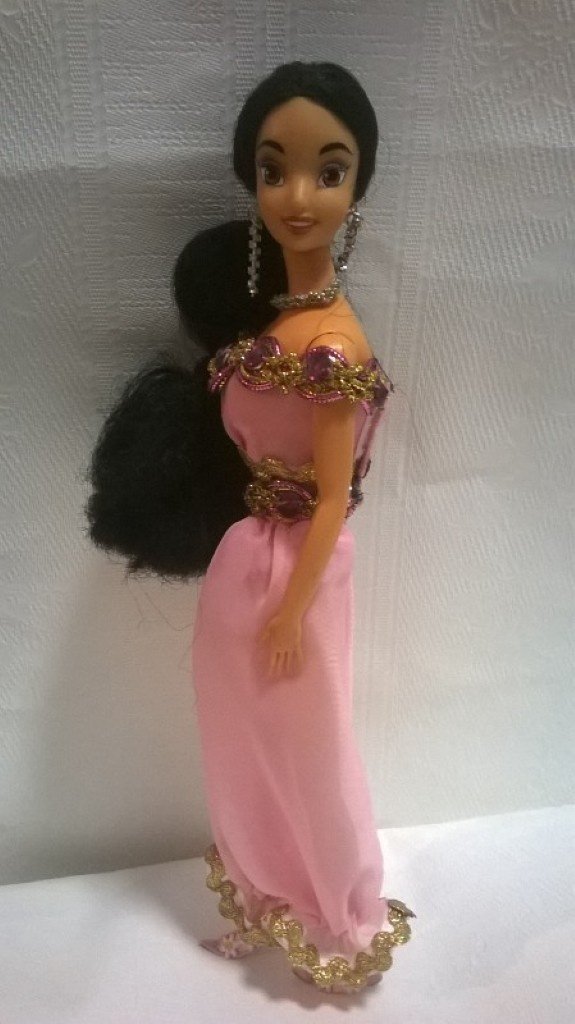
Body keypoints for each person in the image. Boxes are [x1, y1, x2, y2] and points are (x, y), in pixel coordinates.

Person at [85, 61, 415, 996]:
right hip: (244, 562)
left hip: (298, 574)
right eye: (275, 170)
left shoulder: (333, 346)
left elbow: (331, 498)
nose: (298, 196)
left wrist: (292, 609)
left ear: (358, 185)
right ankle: (265, 892)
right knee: (236, 738)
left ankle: (337, 912)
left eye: (328, 170)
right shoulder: (272, 324)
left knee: (309, 743)